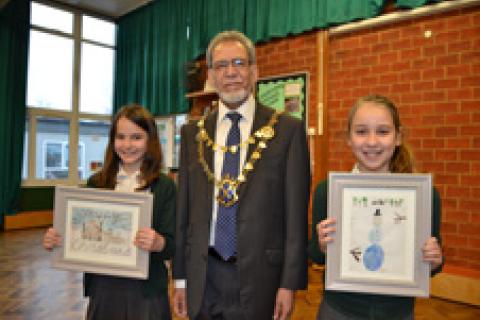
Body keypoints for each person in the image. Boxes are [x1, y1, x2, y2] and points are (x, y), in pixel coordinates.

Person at [172, 30, 311, 320]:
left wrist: (289, 284)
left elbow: (296, 217)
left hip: (262, 277)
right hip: (203, 275)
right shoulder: (191, 134)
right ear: (211, 75)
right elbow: (183, 213)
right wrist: (180, 278)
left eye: (239, 63)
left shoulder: (287, 131)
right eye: (222, 66)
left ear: (254, 71)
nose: (231, 72)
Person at [308, 94, 443, 320]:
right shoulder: (328, 192)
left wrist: (433, 259)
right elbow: (316, 255)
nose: (372, 142)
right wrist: (322, 246)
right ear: (349, 139)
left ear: (398, 137)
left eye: (383, 131)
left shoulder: (422, 196)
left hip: (396, 312)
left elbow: (432, 266)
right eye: (361, 132)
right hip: (339, 310)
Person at [43, 104, 176, 320]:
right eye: (120, 137)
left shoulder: (165, 187)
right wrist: (58, 238)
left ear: (150, 140)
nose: (127, 145)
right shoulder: (96, 182)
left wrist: (158, 242)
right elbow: (82, 232)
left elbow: (173, 245)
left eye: (136, 137)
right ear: (112, 141)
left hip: (146, 292)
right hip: (103, 289)